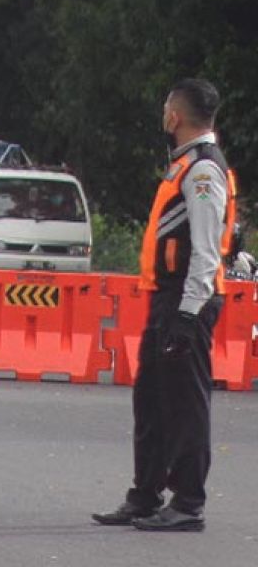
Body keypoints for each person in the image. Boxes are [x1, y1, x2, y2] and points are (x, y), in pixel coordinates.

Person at [93, 79, 236, 533]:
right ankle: (146, 494)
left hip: (186, 299)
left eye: (165, 109)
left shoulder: (202, 171)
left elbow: (206, 251)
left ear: (175, 116)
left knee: (184, 404)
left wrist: (187, 314)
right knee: (152, 400)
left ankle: (187, 501)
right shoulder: (184, 165)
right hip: (168, 297)